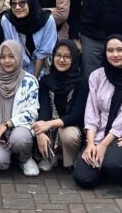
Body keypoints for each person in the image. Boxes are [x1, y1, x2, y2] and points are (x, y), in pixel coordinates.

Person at [74, 35, 122, 189]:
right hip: (99, 132)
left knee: (115, 165)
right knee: (84, 178)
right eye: (110, 50)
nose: (115, 55)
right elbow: (91, 112)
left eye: (120, 50)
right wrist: (90, 144)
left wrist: (103, 145)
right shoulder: (97, 76)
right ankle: (105, 168)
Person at [0, 40, 40, 177]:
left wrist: (8, 124)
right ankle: (6, 154)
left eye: (11, 56)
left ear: (19, 56)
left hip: (19, 129)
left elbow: (31, 112)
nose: (7, 61)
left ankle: (25, 159)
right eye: (3, 57)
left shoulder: (30, 81)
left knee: (20, 139)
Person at [32, 40, 86, 172]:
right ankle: (50, 155)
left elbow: (76, 116)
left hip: (72, 128)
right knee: (38, 125)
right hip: (51, 128)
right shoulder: (46, 80)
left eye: (67, 56)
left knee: (67, 133)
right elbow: (44, 109)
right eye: (58, 55)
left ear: (74, 59)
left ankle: (71, 161)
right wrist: (41, 131)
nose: (61, 60)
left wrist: (49, 124)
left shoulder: (82, 83)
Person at [0, 0, 58, 77]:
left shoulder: (47, 20)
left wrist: (34, 79)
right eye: (13, 4)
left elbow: (44, 52)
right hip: (17, 70)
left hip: (42, 71)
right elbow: (11, 49)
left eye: (22, 3)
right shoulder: (7, 20)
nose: (17, 7)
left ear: (30, 2)